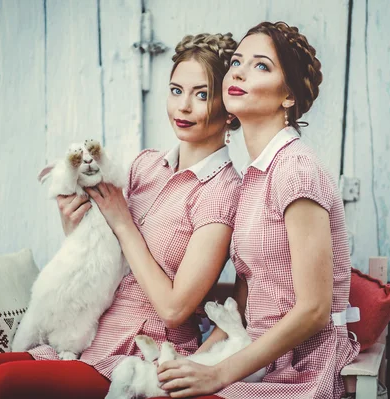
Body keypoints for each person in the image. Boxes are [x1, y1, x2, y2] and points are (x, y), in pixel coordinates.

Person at [0, 32, 241, 399]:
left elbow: (174, 308)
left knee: (0, 385)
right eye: (176, 90)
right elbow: (102, 252)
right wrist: (73, 220)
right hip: (89, 331)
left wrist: (121, 220)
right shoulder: (147, 165)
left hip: (139, 354)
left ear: (229, 107)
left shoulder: (224, 191)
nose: (183, 106)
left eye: (201, 94)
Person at [156, 21, 360, 399]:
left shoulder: (296, 171)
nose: (240, 73)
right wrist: (194, 366)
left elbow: (314, 310)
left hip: (300, 369)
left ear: (288, 96)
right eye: (237, 62)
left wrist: (216, 375)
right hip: (253, 357)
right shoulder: (254, 177)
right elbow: (246, 304)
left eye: (262, 66)